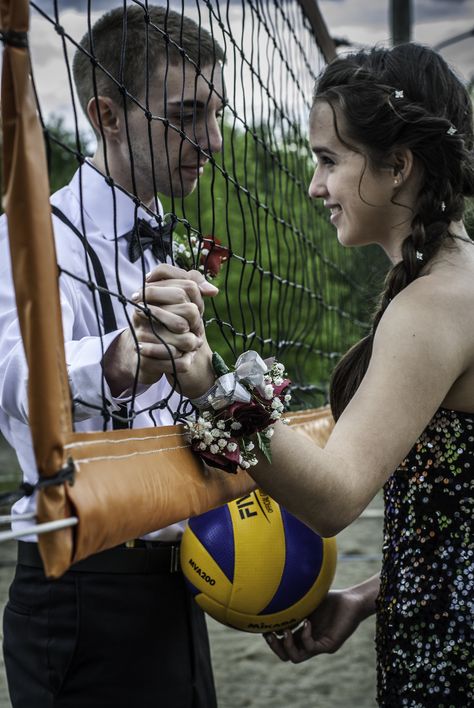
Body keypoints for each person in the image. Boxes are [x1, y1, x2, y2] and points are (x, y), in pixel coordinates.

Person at [172, 43, 474, 705]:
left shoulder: (435, 306)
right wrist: (372, 597)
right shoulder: (452, 282)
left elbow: (335, 499)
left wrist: (210, 386)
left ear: (398, 166)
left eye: (328, 160)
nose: (313, 186)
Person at [0, 5, 224, 707]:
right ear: (108, 115)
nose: (212, 139)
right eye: (188, 114)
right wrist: (116, 358)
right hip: (80, 583)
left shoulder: (168, 234)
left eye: (218, 113)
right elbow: (13, 382)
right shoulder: (32, 233)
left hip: (185, 579)